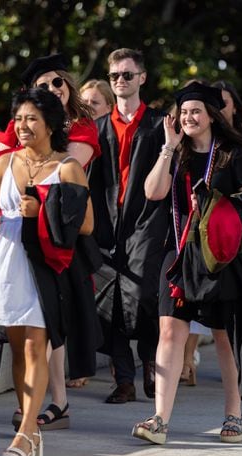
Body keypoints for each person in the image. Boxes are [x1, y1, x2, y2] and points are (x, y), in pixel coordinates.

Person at [132, 81, 242, 445]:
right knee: (171, 331)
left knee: (223, 337)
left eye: (195, 112)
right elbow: (152, 191)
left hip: (219, 258)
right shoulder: (176, 153)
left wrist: (215, 202)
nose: (188, 117)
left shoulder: (232, 155)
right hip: (178, 253)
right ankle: (159, 419)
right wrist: (168, 148)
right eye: (184, 112)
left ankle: (234, 415)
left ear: (210, 117)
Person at [0, 87, 98, 456]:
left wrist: (43, 208)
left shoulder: (68, 167)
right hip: (3, 262)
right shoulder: (4, 162)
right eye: (19, 119)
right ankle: (31, 434)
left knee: (36, 347)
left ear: (51, 124)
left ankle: (25, 434)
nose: (23, 126)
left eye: (32, 119)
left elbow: (87, 224)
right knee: (17, 344)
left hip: (44, 263)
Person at [0, 54, 100, 427]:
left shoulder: (82, 130)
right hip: (19, 240)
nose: (51, 88)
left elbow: (63, 172)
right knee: (27, 335)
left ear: (68, 86)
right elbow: (1, 170)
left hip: (61, 233)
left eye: (57, 82)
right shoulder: (19, 128)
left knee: (52, 325)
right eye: (42, 85)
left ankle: (57, 401)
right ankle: (36, 405)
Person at [86, 48, 167, 404]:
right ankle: (124, 379)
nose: (120, 81)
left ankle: (150, 359)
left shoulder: (158, 125)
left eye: (127, 75)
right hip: (107, 221)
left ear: (142, 78)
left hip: (147, 219)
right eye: (115, 75)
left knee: (144, 293)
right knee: (109, 299)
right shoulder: (98, 128)